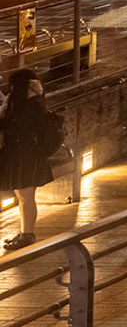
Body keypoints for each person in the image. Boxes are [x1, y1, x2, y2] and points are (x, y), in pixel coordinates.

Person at [0, 69, 63, 250]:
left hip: (28, 157)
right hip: (23, 156)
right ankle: (24, 232)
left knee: (26, 197)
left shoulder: (34, 105)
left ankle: (28, 234)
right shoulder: (29, 101)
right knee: (23, 197)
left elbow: (19, 128)